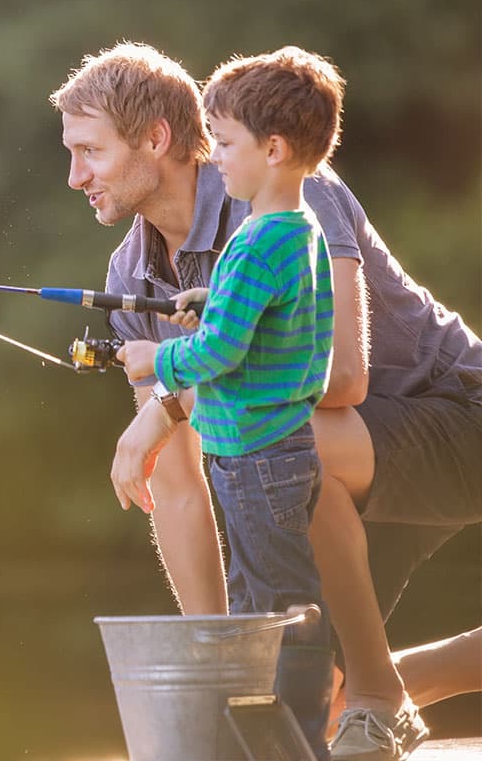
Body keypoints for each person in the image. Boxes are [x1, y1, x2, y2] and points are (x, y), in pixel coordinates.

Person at [50, 42, 482, 761]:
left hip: (456, 418)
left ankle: (376, 695)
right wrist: (222, 670)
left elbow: (342, 378)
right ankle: (381, 695)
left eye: (88, 151)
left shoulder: (290, 190)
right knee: (298, 702)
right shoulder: (131, 270)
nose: (75, 176)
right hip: (333, 472)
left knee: (278, 440)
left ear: (155, 139)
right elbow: (178, 484)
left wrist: (168, 400)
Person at [110, 46, 340, 757]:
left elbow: (216, 356)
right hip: (287, 450)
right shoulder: (299, 234)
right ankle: (267, 738)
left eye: (228, 143)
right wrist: (215, 303)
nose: (217, 157)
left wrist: (156, 358)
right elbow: (289, 329)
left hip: (252, 458)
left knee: (277, 614)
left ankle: (298, 741)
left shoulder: (250, 241)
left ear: (272, 150)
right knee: (264, 602)